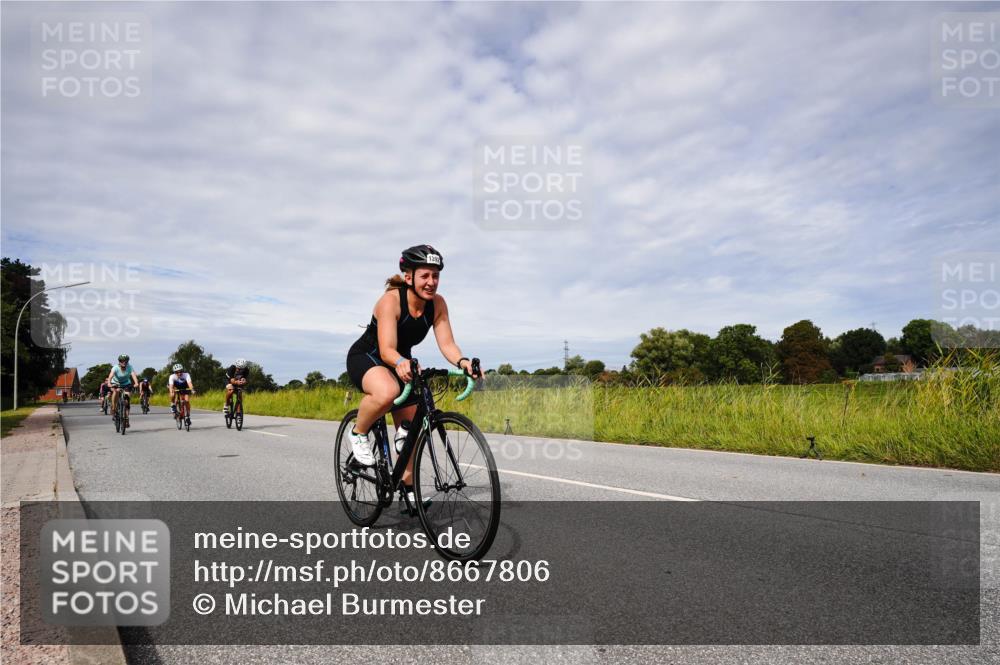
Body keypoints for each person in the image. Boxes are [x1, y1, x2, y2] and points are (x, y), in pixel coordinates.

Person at [345, 245, 482, 507]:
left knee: (409, 433)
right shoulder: (391, 301)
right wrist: (400, 362)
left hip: (402, 362)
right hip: (370, 357)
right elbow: (386, 349)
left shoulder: (437, 304)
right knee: (386, 392)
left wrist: (463, 361)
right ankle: (358, 432)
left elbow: (447, 344)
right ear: (409, 277)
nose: (431, 282)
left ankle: (408, 492)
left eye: (436, 276)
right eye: (425, 276)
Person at [106, 354, 139, 423]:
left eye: (126, 361)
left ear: (127, 362)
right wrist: (109, 383)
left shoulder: (130, 367)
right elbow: (110, 376)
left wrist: (136, 383)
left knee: (127, 401)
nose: (124, 362)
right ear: (119, 361)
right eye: (122, 361)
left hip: (126, 383)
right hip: (116, 383)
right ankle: (114, 407)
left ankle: (126, 418)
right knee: (116, 391)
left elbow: (133, 375)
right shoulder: (115, 367)